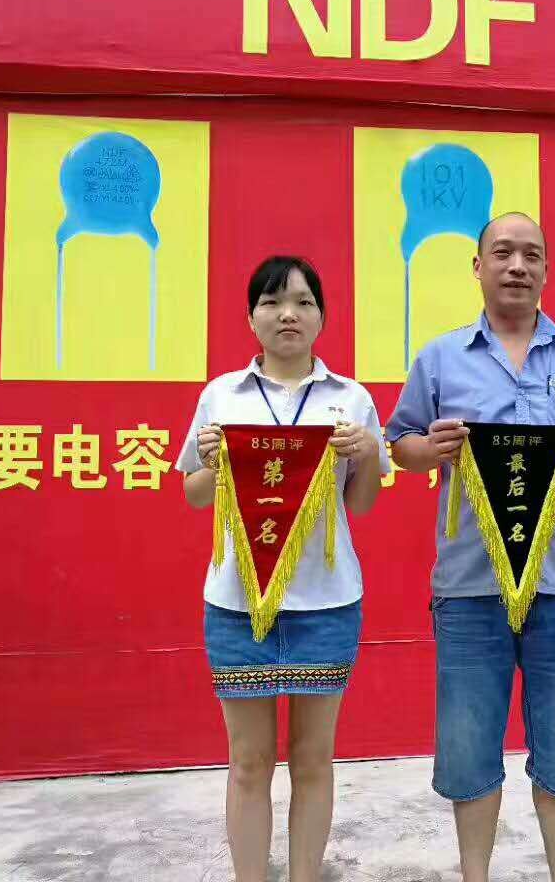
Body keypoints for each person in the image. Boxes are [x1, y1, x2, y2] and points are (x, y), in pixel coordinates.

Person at [386, 213, 555, 882]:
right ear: (478, 267)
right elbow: (400, 445)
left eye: (531, 255)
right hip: (470, 587)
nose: (517, 266)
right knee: (469, 754)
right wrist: (429, 448)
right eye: (502, 253)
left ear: (547, 270)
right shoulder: (441, 358)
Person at [176, 255, 386, 882]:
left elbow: (362, 504)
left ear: (322, 316)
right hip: (238, 604)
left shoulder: (350, 399)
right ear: (251, 318)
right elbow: (194, 493)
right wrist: (215, 462)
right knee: (248, 762)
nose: (287, 314)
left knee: (313, 760)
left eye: (302, 302)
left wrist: (367, 452)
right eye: (271, 302)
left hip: (326, 604)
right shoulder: (222, 395)